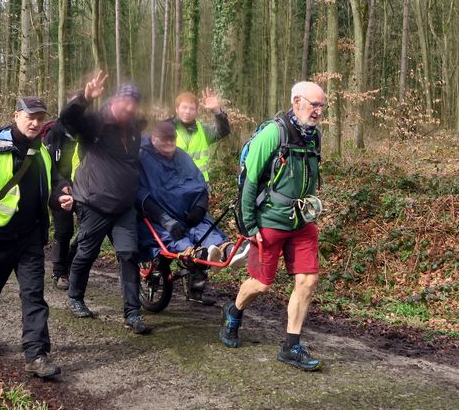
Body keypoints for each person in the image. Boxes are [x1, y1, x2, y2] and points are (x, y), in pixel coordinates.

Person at [0, 96, 73, 378]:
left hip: (31, 238)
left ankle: (36, 355)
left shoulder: (43, 150)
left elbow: (52, 182)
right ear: (16, 116)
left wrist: (62, 195)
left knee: (34, 295)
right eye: (30, 117)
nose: (35, 123)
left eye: (40, 118)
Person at [220, 81, 326, 372]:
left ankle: (291, 346)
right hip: (269, 221)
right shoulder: (273, 133)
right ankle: (235, 311)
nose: (318, 111)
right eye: (314, 104)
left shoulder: (314, 136)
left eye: (322, 106)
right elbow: (249, 181)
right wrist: (248, 225)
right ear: (296, 102)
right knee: (262, 283)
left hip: (302, 221)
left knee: (308, 280)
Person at [61, 71, 152, 335]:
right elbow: (68, 119)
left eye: (134, 102)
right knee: (87, 253)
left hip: (124, 207)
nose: (129, 106)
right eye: (125, 100)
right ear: (115, 100)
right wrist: (85, 97)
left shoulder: (134, 129)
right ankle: (75, 297)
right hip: (94, 203)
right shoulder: (96, 123)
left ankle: (132, 313)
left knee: (129, 255)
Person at [138, 121, 248, 304]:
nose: (170, 145)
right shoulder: (142, 158)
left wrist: (199, 207)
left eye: (172, 141)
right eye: (165, 142)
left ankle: (227, 250)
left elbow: (198, 184)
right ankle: (200, 255)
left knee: (204, 227)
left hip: (187, 212)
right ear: (154, 139)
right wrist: (164, 219)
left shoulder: (181, 156)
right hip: (160, 217)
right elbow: (140, 193)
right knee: (177, 238)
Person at [42, 100, 84, 291]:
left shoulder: (84, 131)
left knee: (88, 228)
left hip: (82, 188)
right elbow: (49, 165)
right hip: (59, 188)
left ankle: (72, 262)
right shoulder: (54, 133)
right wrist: (63, 185)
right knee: (64, 230)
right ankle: (59, 272)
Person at [169, 89, 230, 183]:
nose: (188, 111)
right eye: (184, 107)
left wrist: (217, 111)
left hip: (199, 185)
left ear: (196, 111)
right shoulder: (166, 131)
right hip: (174, 185)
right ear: (177, 109)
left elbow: (223, 131)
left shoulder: (203, 130)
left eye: (192, 108)